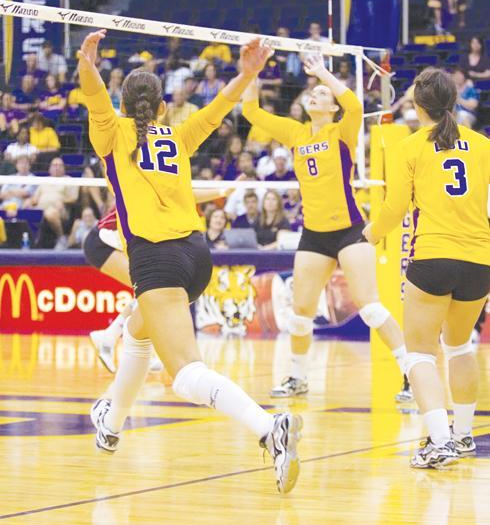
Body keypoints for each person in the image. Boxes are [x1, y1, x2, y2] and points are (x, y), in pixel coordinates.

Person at [79, 30, 301, 494]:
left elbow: (96, 98)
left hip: (156, 261)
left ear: (126, 106)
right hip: (197, 256)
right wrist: (248, 73)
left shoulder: (113, 130)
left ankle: (268, 428)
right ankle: (111, 421)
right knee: (140, 332)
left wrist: (87, 61)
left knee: (185, 375)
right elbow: (218, 107)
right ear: (161, 108)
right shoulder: (177, 135)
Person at [242, 54, 410, 400]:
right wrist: (251, 73)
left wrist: (322, 73)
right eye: (313, 92)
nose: (314, 95)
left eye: (321, 94)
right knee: (300, 312)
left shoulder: (341, 130)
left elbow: (353, 105)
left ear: (331, 109)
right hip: (314, 235)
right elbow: (252, 113)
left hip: (350, 230)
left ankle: (410, 374)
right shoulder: (296, 132)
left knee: (370, 306)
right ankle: (299, 378)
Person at [363, 67, 490, 469]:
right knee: (459, 346)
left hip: (434, 255)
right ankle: (465, 435)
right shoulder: (482, 145)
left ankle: (440, 442)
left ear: (417, 104)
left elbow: (395, 208)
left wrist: (369, 233)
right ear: (452, 101)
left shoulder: (410, 146)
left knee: (419, 354)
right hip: (479, 260)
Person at [86, 184, 232, 374]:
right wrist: (221, 191)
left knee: (153, 293)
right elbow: (188, 195)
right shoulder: (150, 184)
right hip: (104, 243)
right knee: (152, 292)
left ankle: (109, 337)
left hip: (120, 242)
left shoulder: (163, 190)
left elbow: (185, 196)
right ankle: (117, 339)